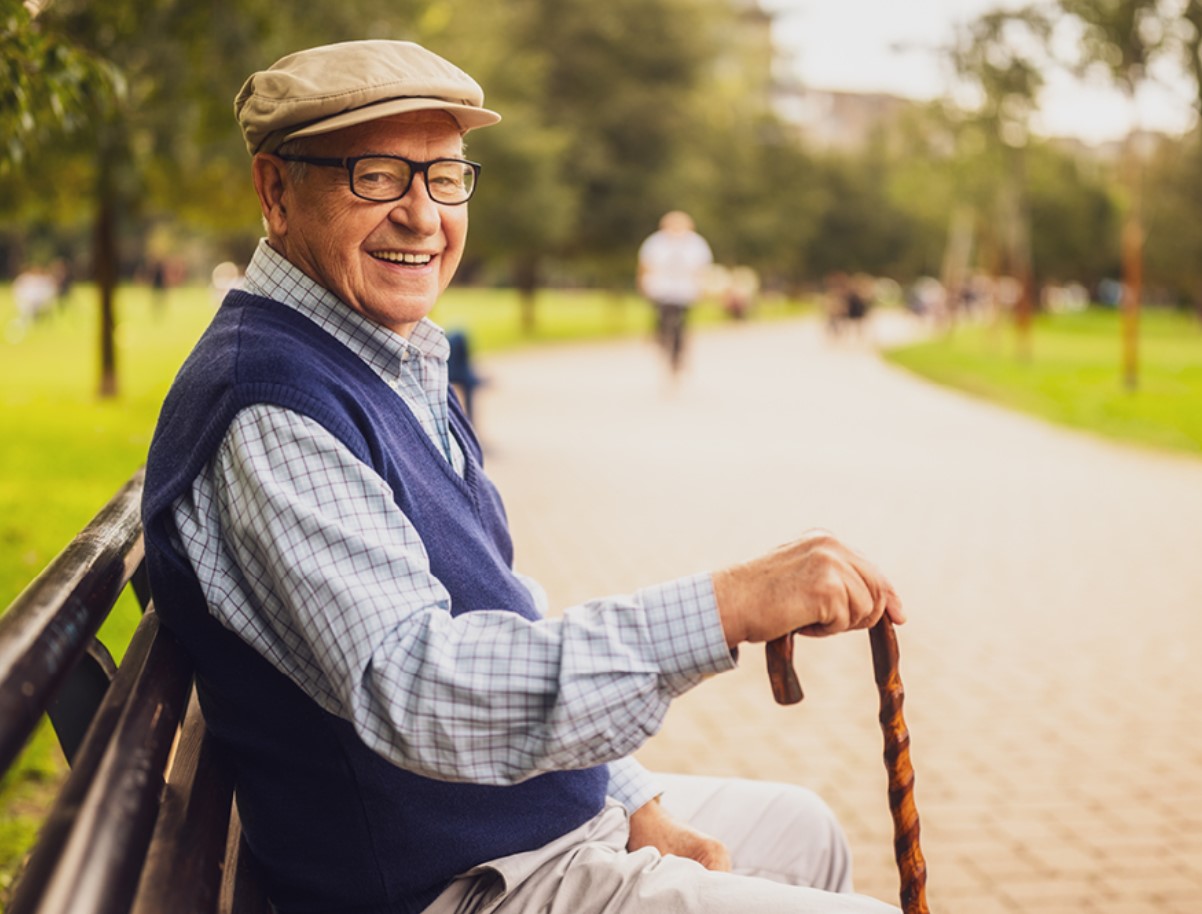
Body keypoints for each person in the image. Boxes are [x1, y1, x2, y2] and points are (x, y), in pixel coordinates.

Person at [141, 40, 906, 914]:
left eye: (444, 177)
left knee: (805, 830)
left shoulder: (381, 359)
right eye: (377, 176)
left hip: (521, 830)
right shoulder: (271, 407)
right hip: (451, 885)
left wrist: (632, 799)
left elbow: (499, 612)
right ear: (276, 191)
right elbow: (422, 688)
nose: (423, 217)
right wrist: (725, 605)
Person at [637, 210, 713, 376]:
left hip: (685, 289)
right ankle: (661, 337)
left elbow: (702, 268)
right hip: (661, 287)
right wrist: (643, 284)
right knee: (663, 316)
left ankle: (677, 354)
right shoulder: (655, 242)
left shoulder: (696, 243)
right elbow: (645, 265)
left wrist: (702, 287)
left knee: (681, 322)